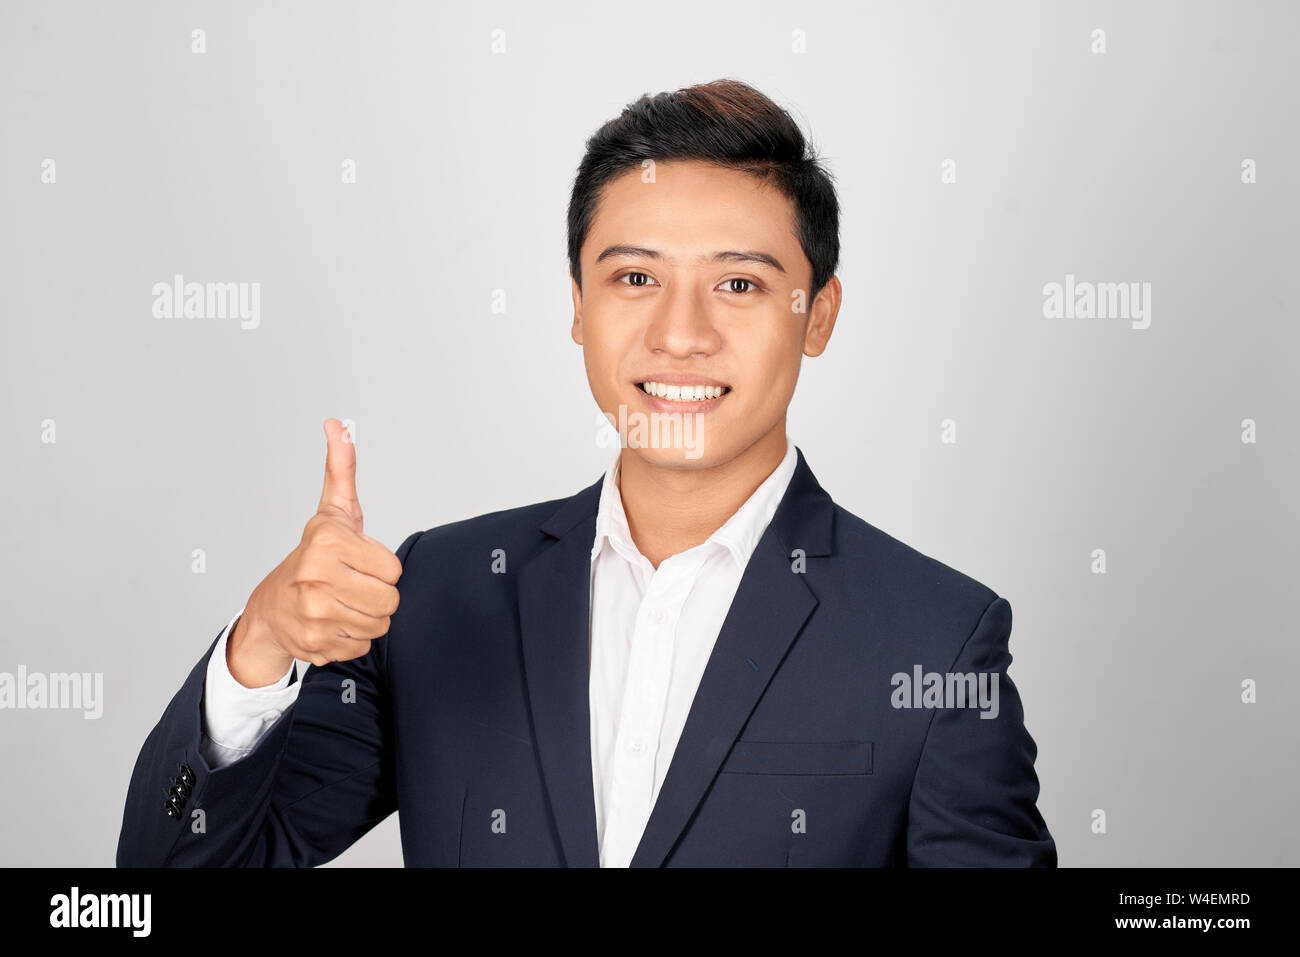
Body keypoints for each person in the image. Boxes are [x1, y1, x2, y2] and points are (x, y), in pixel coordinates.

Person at [116, 78, 1056, 867]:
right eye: (635, 278)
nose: (679, 334)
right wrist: (261, 645)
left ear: (818, 314)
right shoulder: (440, 593)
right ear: (578, 306)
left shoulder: (935, 636)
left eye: (739, 283)